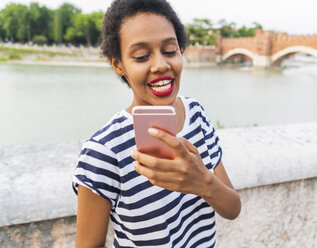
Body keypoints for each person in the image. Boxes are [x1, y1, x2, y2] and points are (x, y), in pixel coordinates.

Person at [72, 0, 241, 247]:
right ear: (118, 64)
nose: (161, 65)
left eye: (170, 51)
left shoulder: (196, 114)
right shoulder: (103, 152)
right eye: (141, 56)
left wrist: (202, 182)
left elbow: (232, 208)